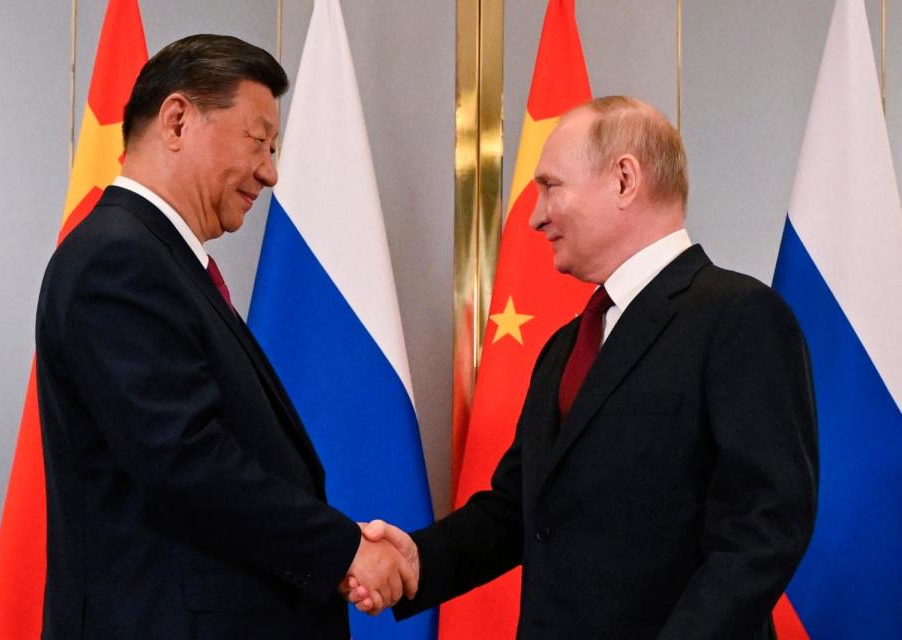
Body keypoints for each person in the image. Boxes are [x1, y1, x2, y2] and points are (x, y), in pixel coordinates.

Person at [348, 96, 819, 639]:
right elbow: (520, 507)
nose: (535, 215)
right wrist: (417, 563)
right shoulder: (567, 345)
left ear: (624, 180)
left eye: (551, 186)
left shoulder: (738, 316)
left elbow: (766, 524)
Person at [36, 34, 414, 640]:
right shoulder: (119, 260)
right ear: (178, 120)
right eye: (258, 140)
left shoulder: (162, 263)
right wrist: (345, 549)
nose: (270, 170)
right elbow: (186, 461)